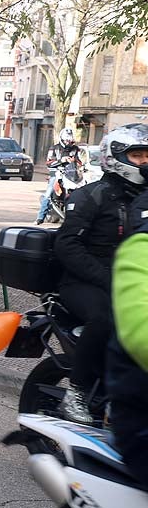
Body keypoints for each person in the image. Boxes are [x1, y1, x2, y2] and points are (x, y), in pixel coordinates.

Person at [53, 124, 148, 423]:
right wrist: (108, 278)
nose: (145, 162)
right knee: (107, 317)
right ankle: (77, 393)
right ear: (115, 156)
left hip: (130, 282)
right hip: (84, 283)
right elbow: (67, 245)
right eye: (137, 155)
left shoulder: (143, 198)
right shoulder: (92, 195)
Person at [106, 177, 148, 491]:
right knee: (98, 318)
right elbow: (140, 335)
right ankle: (79, 390)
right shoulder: (140, 249)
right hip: (141, 418)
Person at [36, 128, 82, 225]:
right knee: (48, 194)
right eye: (66, 140)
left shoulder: (75, 149)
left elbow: (80, 161)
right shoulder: (54, 149)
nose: (68, 142)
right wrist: (62, 160)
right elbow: (48, 163)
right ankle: (40, 217)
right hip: (57, 174)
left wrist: (77, 162)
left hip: (72, 174)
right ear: (62, 139)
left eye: (69, 140)